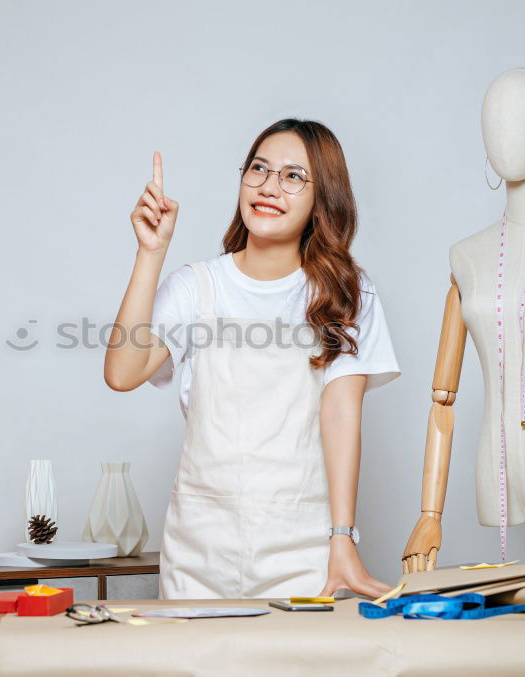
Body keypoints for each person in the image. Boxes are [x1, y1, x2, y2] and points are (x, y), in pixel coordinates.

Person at [104, 119, 399, 599]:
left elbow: (342, 414)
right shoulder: (197, 286)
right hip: (199, 551)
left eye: (292, 176)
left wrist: (341, 539)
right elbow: (121, 373)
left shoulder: (346, 293)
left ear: (322, 198)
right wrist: (150, 254)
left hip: (302, 551)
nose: (268, 187)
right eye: (258, 169)